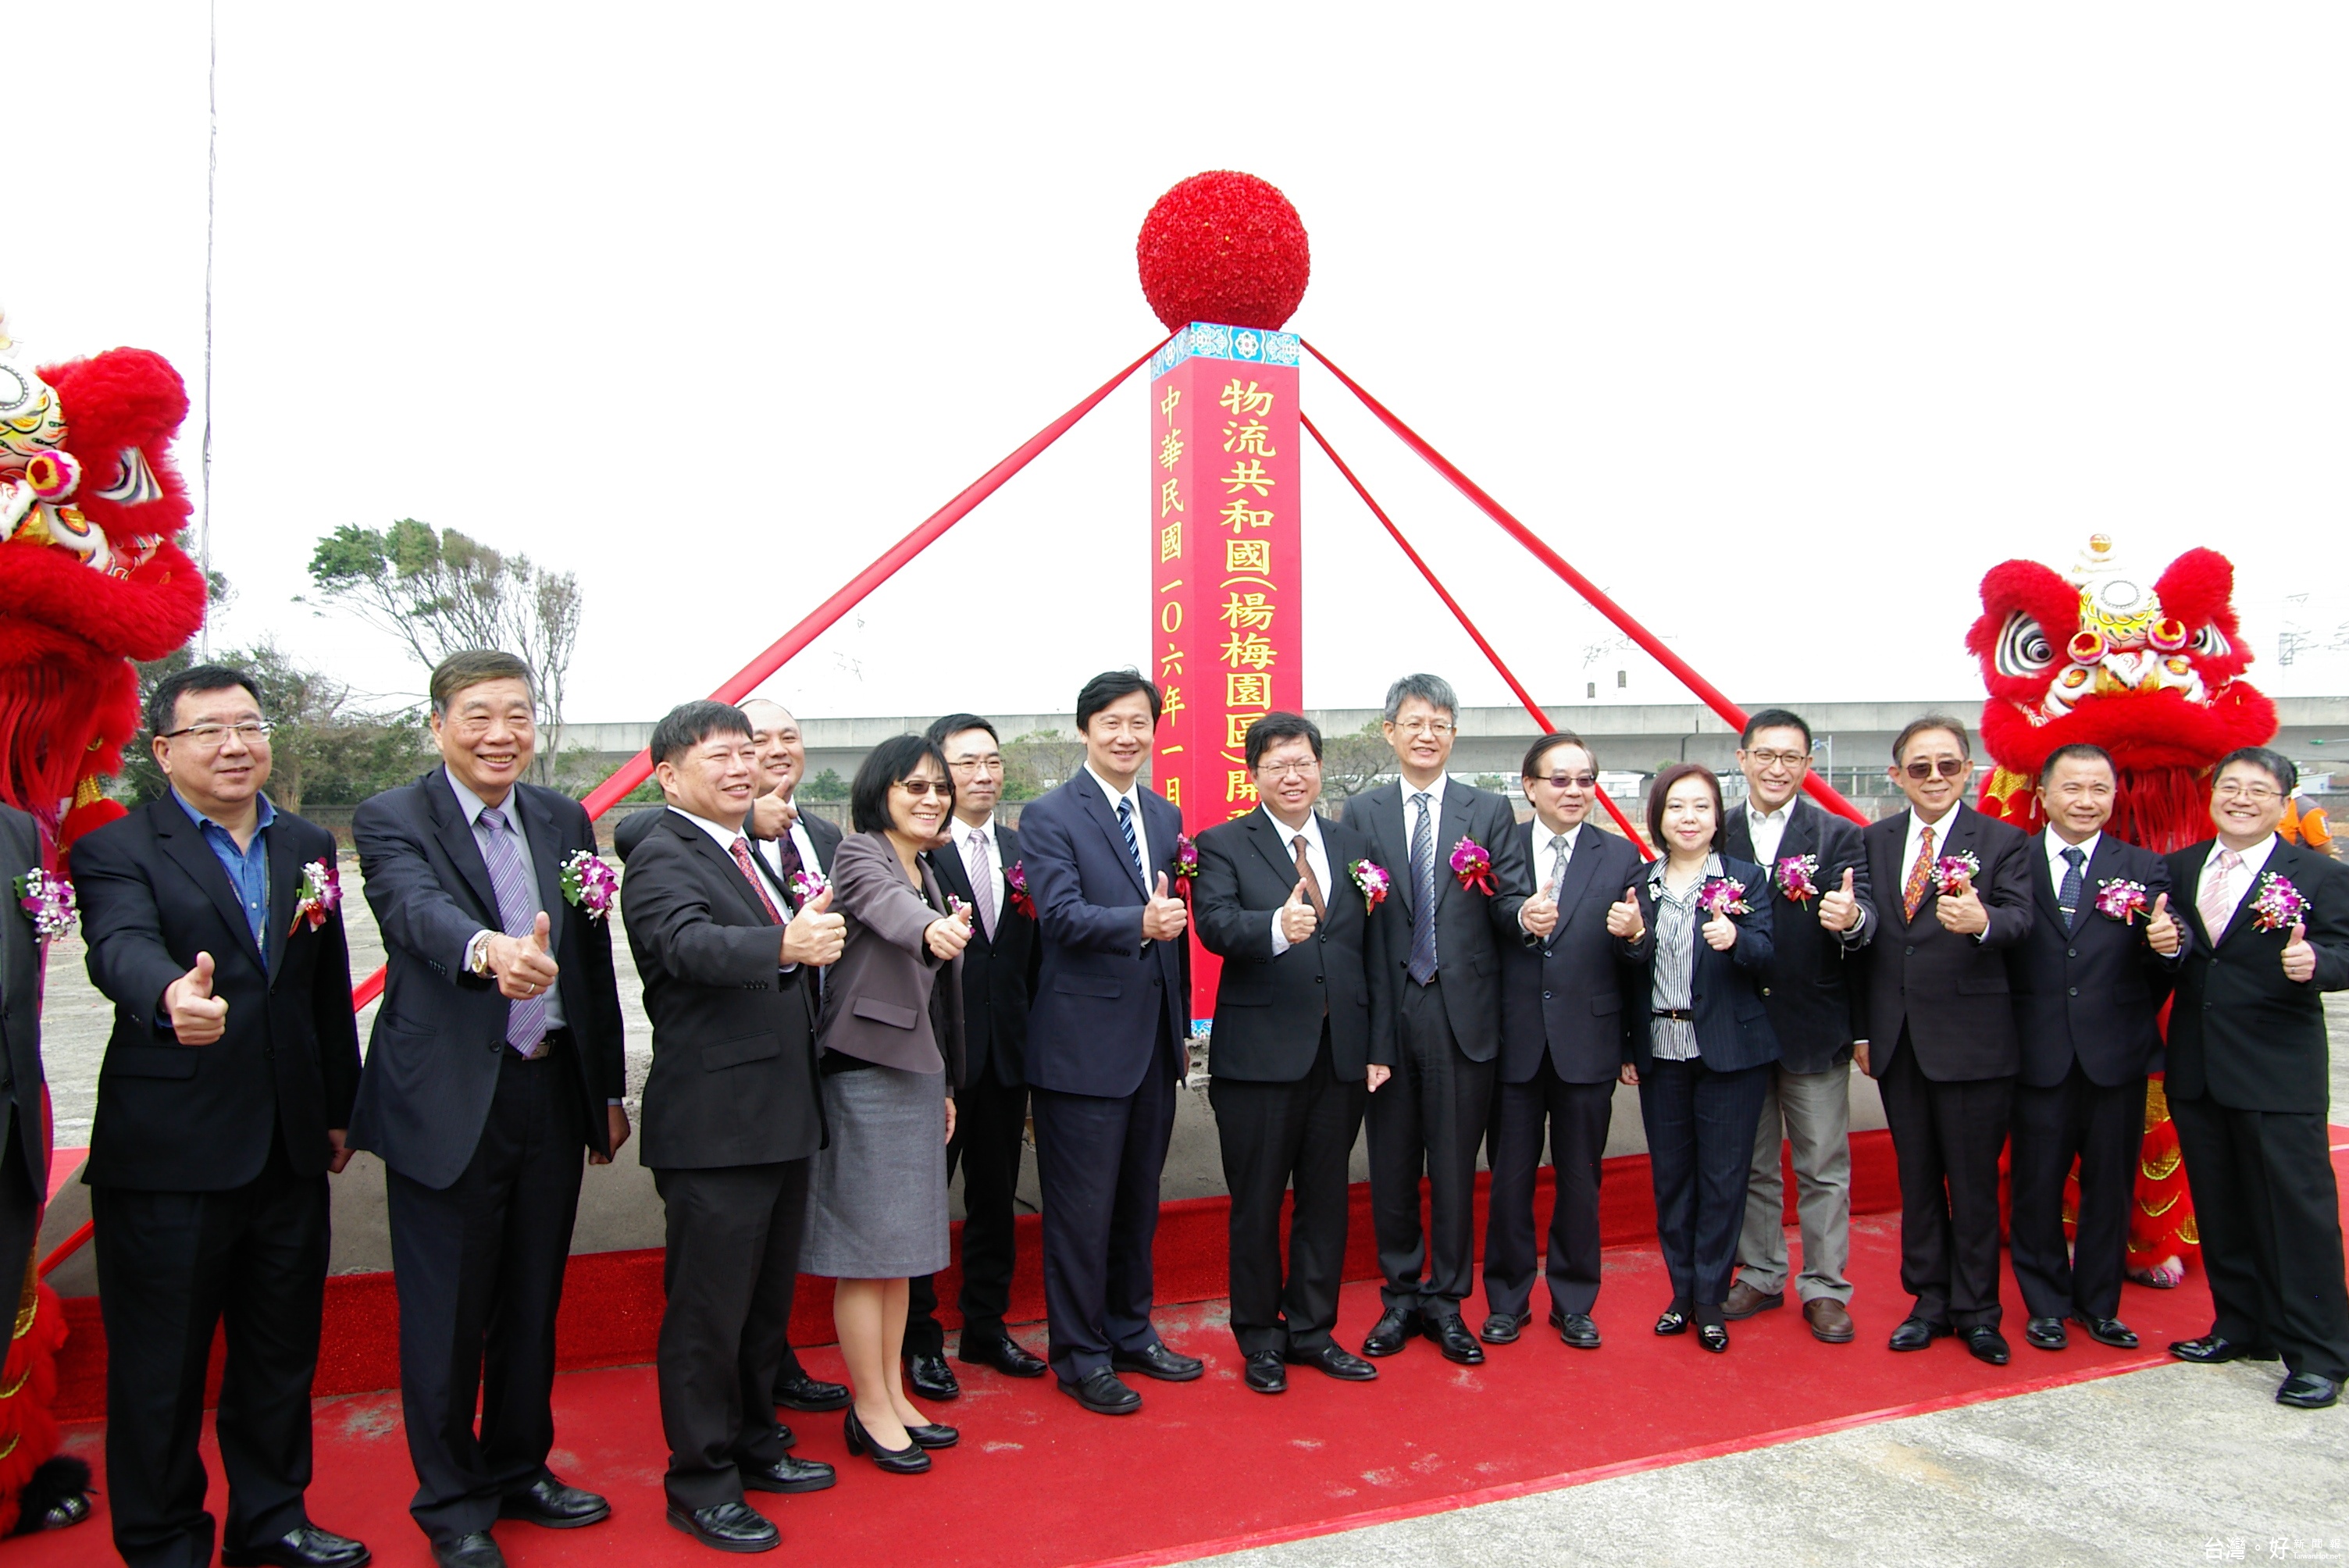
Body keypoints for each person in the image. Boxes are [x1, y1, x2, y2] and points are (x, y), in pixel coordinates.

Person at [75, 665, 367, 1568]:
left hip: (286, 1145)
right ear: (164, 751)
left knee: (279, 1354)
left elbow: (322, 989)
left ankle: (272, 1518)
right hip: (171, 1152)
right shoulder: (117, 848)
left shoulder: (307, 844)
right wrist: (168, 994)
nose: (235, 744)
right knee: (160, 1368)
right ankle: (164, 1540)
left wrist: (338, 1109)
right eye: (209, 730)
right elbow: (116, 942)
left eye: (248, 725)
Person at [348, 650, 629, 1568]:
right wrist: (486, 950)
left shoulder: (561, 816)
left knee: (530, 1295)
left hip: (547, 1084)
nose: (498, 734)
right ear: (438, 725)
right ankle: (452, 1500)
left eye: (515, 714)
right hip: (448, 1099)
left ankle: (519, 1467)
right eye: (476, 715)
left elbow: (587, 961)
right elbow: (413, 909)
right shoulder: (394, 816)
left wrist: (607, 1090)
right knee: (447, 1308)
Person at [621, 701, 844, 1554]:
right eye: (720, 756)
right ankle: (700, 1479)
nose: (742, 767)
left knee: (760, 1307)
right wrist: (784, 944)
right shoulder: (661, 854)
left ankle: (755, 1441)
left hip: (780, 1115)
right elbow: (686, 945)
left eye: (747, 752)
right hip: (715, 1125)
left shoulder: (744, 849)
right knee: (707, 1315)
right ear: (670, 775)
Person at [1018, 670, 1198, 1415]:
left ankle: (1131, 1329)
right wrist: (1137, 925)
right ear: (1086, 729)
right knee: (1080, 1212)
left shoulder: (1163, 813)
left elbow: (1175, 929)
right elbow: (1057, 914)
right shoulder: (1050, 814)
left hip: (1152, 1045)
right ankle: (1080, 1354)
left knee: (1137, 1204)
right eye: (1112, 722)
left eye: (1139, 723)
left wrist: (1181, 1028)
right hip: (1082, 1050)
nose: (1127, 736)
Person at [1193, 713, 1388, 1394]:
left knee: (1325, 1201)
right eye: (1277, 764)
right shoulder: (1222, 844)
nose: (1293, 775)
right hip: (1258, 1062)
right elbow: (1215, 925)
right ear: (1254, 774)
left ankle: (1312, 1330)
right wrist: (1275, 925)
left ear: (1319, 767)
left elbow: (1373, 953)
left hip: (1340, 1057)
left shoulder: (1351, 843)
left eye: (1303, 762)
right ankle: (1259, 1339)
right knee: (1256, 1204)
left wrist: (1376, 1046)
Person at [1345, 674, 1534, 1366]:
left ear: (1454, 734)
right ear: (1390, 731)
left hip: (1464, 1014)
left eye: (1442, 723)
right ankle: (1400, 1297)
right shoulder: (1359, 812)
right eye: (1415, 722)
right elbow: (1353, 919)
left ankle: (1448, 1299)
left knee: (1455, 1165)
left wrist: (1528, 914)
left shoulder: (1487, 811)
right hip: (1391, 1014)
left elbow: (1508, 902)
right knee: (1392, 1164)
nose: (1428, 734)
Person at [801, 732, 969, 1470]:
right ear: (882, 792)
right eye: (915, 787)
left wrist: (948, 1085)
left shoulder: (928, 866)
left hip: (915, 1072)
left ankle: (894, 1395)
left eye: (939, 788)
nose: (931, 799)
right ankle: (868, 1407)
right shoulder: (863, 852)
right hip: (863, 1067)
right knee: (866, 1253)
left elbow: (938, 1002)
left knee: (900, 1253)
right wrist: (932, 928)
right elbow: (886, 911)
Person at [2165, 746, 2349, 1409]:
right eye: (2230, 787)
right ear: (2212, 796)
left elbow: (2344, 949)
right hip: (2199, 1068)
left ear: (2284, 801)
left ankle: (2321, 1354)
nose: (2241, 799)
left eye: (2258, 790)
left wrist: (2318, 964)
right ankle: (2242, 1327)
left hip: (2277, 1072)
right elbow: (2181, 957)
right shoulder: (2182, 868)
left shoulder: (2317, 874)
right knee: (2222, 1206)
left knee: (2298, 1216)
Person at [1854, 715, 2033, 1367]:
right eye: (1920, 767)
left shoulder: (2005, 842)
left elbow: (2022, 919)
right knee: (1919, 1179)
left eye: (1948, 765)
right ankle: (1928, 1300)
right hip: (1898, 1040)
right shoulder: (1873, 840)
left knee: (1973, 1182)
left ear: (1969, 770)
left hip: (1972, 1041)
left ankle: (1979, 1310)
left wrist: (1985, 921)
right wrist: (1864, 1030)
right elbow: (1867, 940)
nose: (1935, 777)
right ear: (1897, 775)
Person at [2007, 743, 2185, 1353]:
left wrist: (2168, 945)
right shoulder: (2012, 862)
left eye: (2099, 790)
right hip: (2037, 1055)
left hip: (2117, 1054)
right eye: (2073, 789)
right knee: (2037, 1186)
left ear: (2113, 797)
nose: (2086, 801)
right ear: (2045, 796)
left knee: (2110, 1186)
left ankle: (2099, 1306)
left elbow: (2165, 958)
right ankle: (2047, 1304)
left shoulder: (2143, 867)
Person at [1482, 731, 1643, 1352]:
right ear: (1530, 786)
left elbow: (1641, 953)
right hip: (1514, 1042)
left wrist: (1634, 934)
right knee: (1509, 1181)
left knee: (1581, 1180)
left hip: (1589, 1043)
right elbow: (1485, 924)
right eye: (1560, 779)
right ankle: (1507, 1300)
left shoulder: (1621, 855)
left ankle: (1575, 1301)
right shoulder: (1500, 851)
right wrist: (1520, 917)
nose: (1574, 791)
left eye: (1585, 780)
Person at [1610, 764, 1780, 1352]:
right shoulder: (1640, 883)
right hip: (1663, 1047)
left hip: (1730, 1050)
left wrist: (1737, 941)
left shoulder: (1744, 878)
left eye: (1702, 807)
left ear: (1717, 818)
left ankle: (1711, 1298)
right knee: (1673, 1180)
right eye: (1677, 807)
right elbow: (1627, 973)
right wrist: (1632, 939)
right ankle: (1680, 1294)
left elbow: (1769, 955)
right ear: (1658, 816)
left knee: (1724, 1179)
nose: (1689, 818)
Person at [1720, 708, 1874, 1345]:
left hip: (1813, 1026)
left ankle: (1826, 1287)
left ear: (1807, 766)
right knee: (1752, 1164)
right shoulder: (1716, 827)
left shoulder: (1836, 835)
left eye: (1791, 758)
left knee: (1822, 1165)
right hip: (1738, 1025)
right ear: (1744, 758)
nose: (1777, 768)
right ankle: (1760, 1271)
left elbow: (1865, 918)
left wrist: (1852, 917)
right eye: (1766, 755)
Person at [904, 714, 1049, 1384]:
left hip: (1007, 1057)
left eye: (992, 761)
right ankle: (919, 1339)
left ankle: (985, 1328)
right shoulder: (916, 852)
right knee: (922, 1203)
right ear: (939, 772)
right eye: (966, 764)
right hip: (934, 1061)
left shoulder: (1026, 851)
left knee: (994, 1199)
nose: (983, 775)